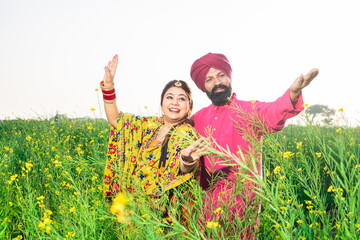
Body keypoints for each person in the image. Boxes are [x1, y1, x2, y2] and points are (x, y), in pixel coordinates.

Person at [186, 52, 319, 237]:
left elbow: (272, 112)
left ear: (229, 77)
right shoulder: (197, 119)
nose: (217, 82)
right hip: (205, 207)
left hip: (242, 206)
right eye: (209, 79)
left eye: (221, 75)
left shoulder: (248, 110)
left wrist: (293, 94)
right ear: (203, 87)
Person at [101, 54, 205, 224]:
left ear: (189, 107)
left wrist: (187, 162)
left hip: (162, 217)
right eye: (169, 97)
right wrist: (109, 86)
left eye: (182, 99)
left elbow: (185, 167)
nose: (175, 102)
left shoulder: (186, 133)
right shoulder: (149, 125)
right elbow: (116, 120)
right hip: (134, 211)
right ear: (162, 103)